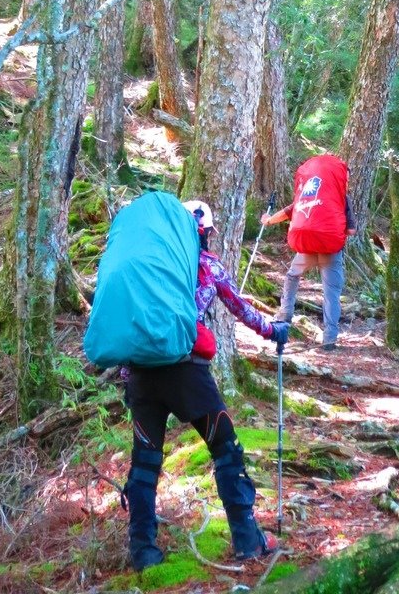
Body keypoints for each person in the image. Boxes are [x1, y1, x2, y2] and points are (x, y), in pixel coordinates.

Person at [121, 199, 290, 570]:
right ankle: (247, 540)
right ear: (206, 234)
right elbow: (240, 308)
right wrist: (273, 330)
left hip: (142, 375)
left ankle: (143, 552)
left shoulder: (149, 267)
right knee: (225, 448)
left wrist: (127, 376)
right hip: (188, 373)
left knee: (145, 463)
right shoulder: (207, 266)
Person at [261, 153, 356, 351]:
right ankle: (329, 339)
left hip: (308, 246)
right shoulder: (340, 199)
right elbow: (351, 230)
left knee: (292, 276)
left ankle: (285, 314)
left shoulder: (308, 194)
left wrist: (268, 220)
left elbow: (289, 211)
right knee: (331, 293)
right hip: (330, 249)